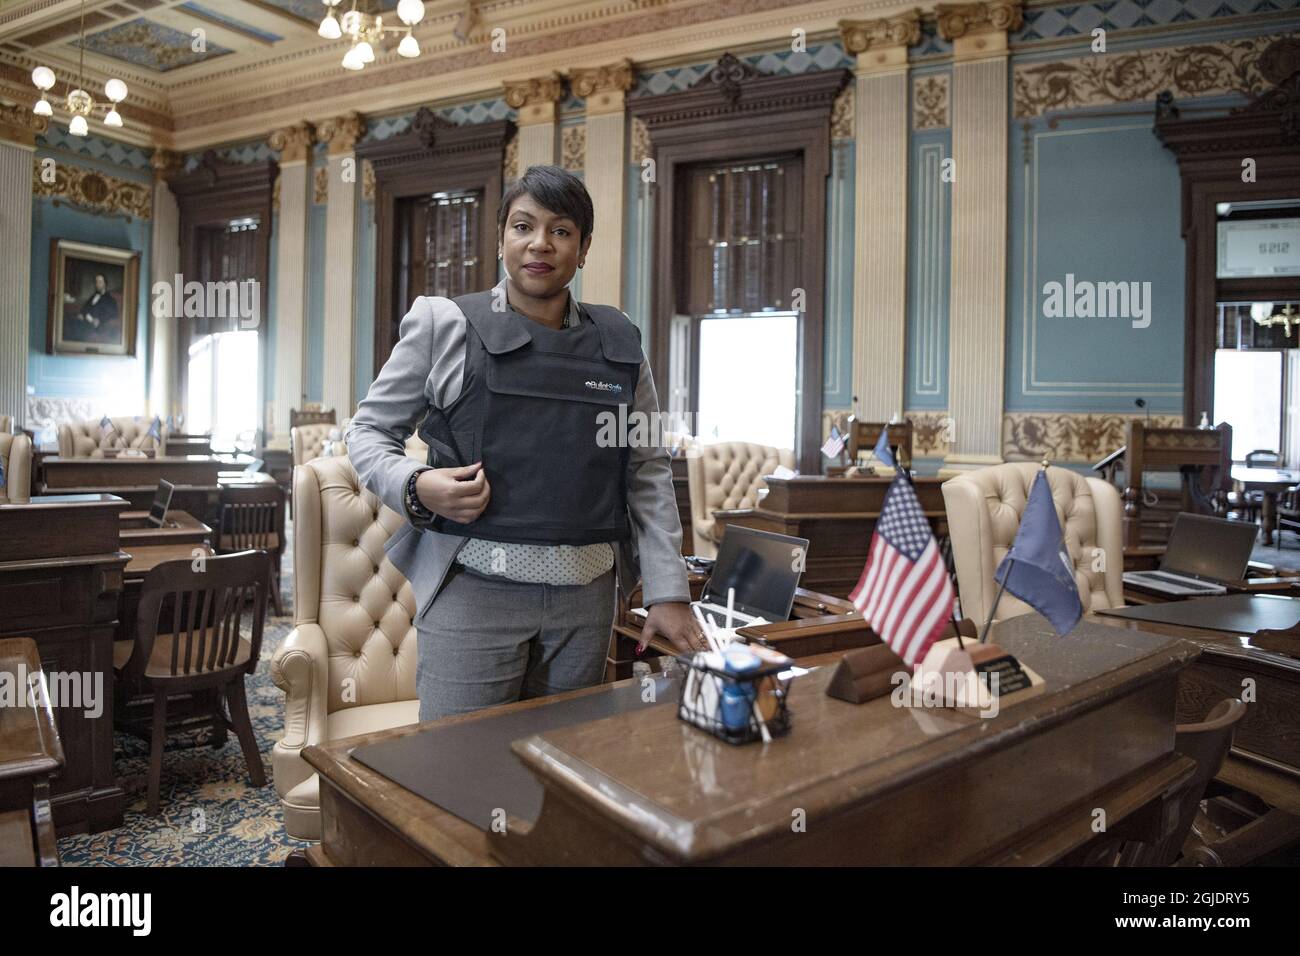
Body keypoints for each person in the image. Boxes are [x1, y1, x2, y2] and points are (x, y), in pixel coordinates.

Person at [348, 164, 708, 721]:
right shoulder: (445, 325)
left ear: (583, 248)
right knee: (455, 777)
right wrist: (418, 485)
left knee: (560, 774)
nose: (540, 243)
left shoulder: (620, 340)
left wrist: (668, 590)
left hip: (586, 605)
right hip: (474, 593)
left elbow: (646, 469)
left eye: (561, 231)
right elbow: (367, 433)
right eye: (523, 226)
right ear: (501, 240)